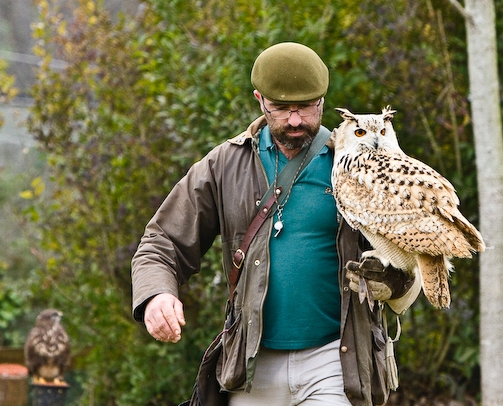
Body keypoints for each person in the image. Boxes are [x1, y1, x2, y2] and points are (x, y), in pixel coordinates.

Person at [131, 42, 421, 406]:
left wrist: (393, 281)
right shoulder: (225, 165)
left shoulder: (358, 165)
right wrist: (157, 294)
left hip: (336, 359)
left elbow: (410, 256)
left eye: (305, 107)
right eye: (281, 108)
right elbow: (163, 241)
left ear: (322, 101)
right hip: (251, 362)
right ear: (259, 100)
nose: (295, 120)